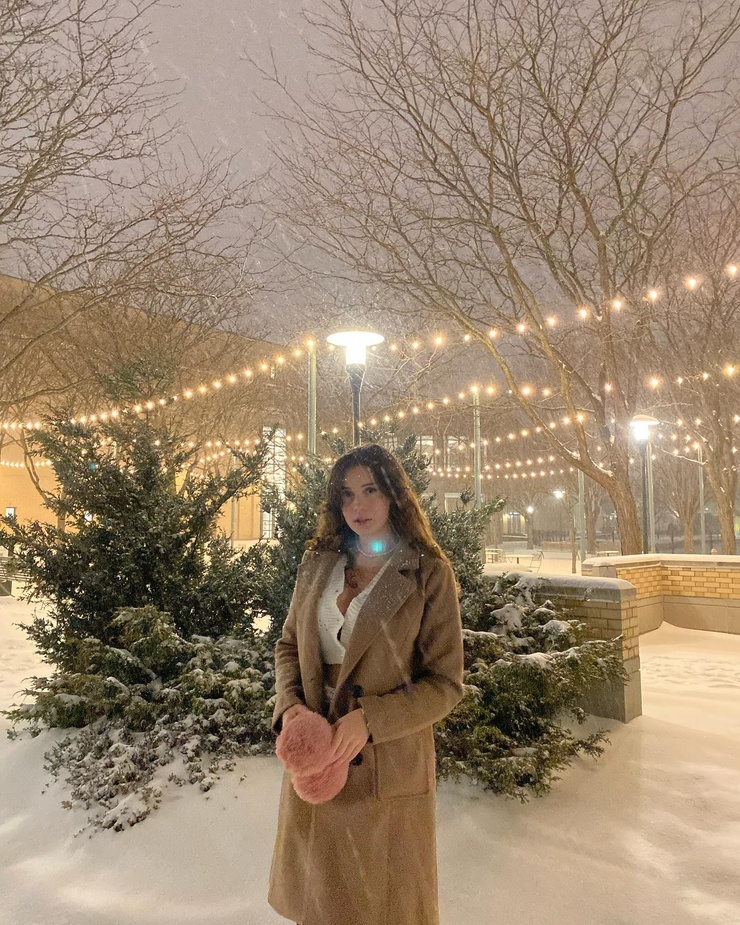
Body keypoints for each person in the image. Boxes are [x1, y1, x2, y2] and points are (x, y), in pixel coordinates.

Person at [268, 443, 464, 925]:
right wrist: (290, 707)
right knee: (320, 904)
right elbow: (289, 645)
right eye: (347, 494)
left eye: (370, 490)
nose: (358, 505)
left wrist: (370, 720)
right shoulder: (318, 565)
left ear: (394, 494)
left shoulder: (426, 573)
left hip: (385, 767)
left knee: (381, 906)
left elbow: (445, 683)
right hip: (317, 763)